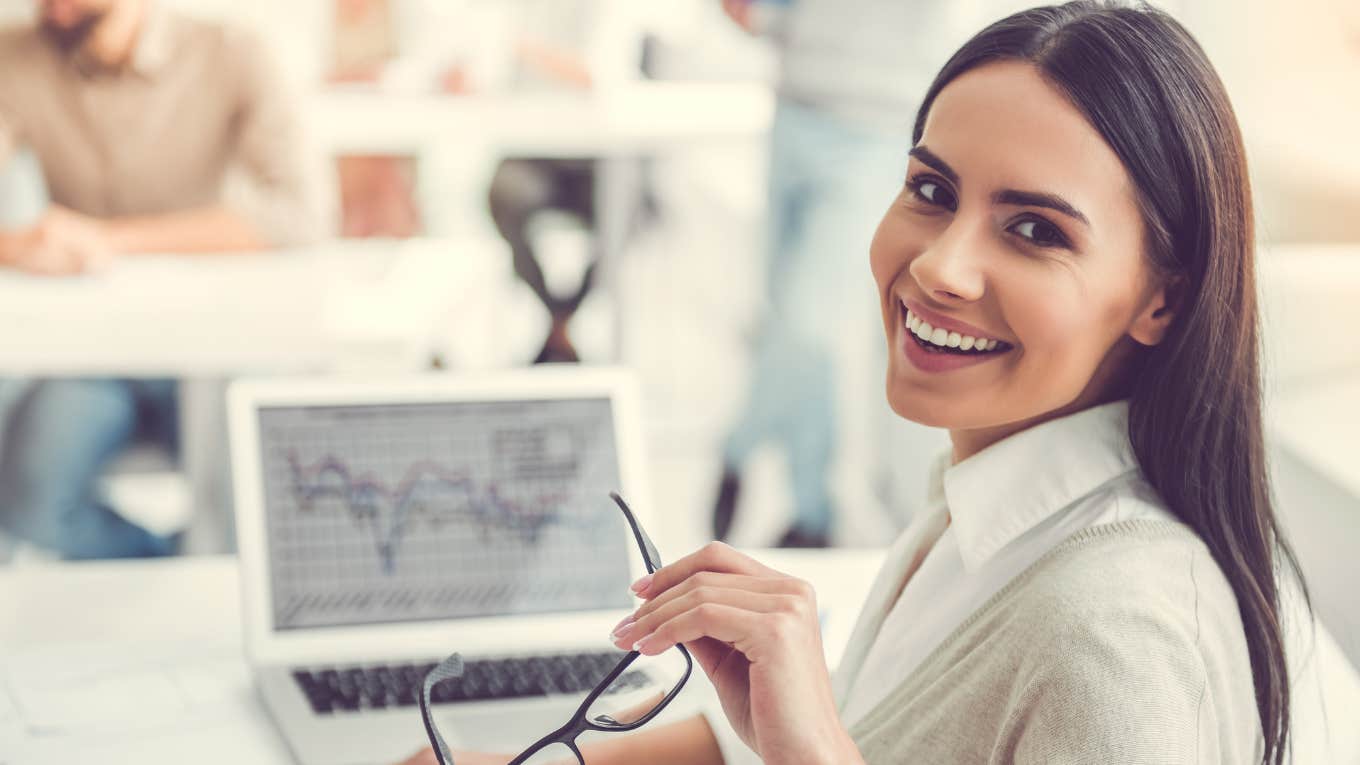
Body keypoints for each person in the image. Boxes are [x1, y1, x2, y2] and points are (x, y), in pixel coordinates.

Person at [399, 2, 1307, 763]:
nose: (940, 267)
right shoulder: (994, 497)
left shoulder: (1114, 644)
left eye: (1035, 231)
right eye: (932, 190)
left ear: (1161, 299)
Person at [0, 0, 322, 558]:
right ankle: (168, 565)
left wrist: (110, 240)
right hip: (94, 354)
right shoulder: (19, 53)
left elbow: (296, 215)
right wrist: (17, 244)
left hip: (218, 344)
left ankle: (211, 581)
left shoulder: (234, 53)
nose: (52, 11)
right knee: (28, 503)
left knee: (251, 516)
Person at [711, 0, 956, 548]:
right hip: (791, 110)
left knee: (809, 330)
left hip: (874, 128)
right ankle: (811, 509)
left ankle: (737, 445)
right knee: (783, 324)